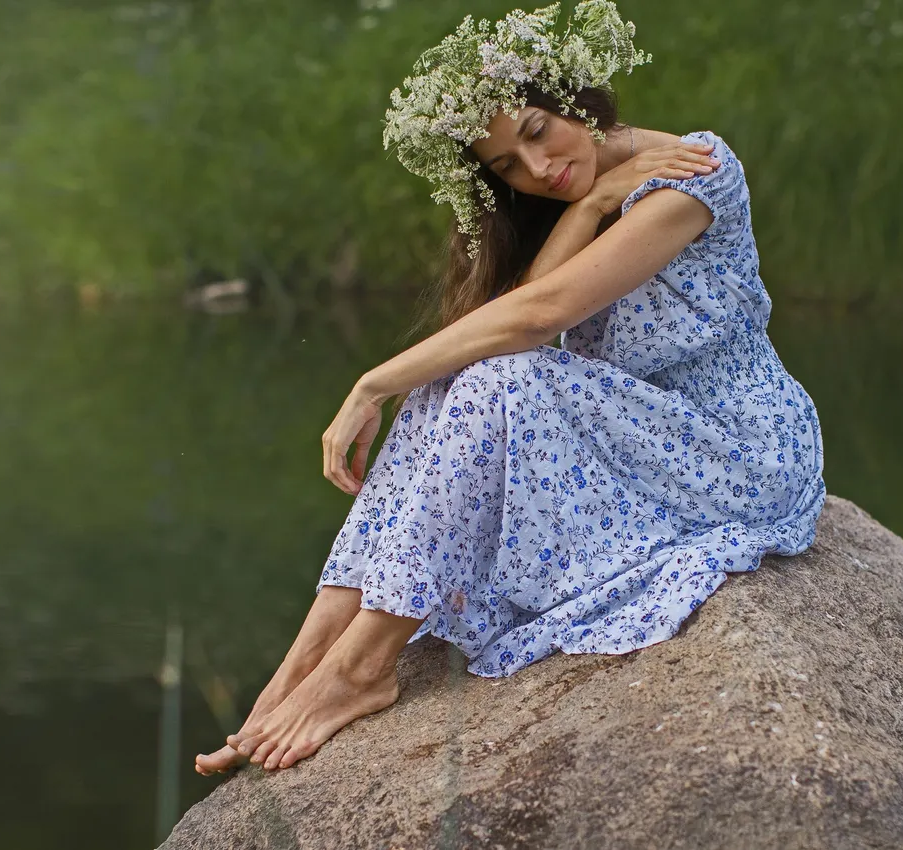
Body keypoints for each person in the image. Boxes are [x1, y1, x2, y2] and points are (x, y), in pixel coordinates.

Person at [195, 0, 825, 776]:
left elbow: (543, 316)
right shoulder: (589, 189)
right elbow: (521, 308)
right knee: (457, 379)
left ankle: (364, 667)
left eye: (537, 131)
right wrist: (592, 200)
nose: (539, 169)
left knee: (500, 377)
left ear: (576, 100)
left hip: (736, 449)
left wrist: (373, 381)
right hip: (656, 437)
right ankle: (308, 661)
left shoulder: (691, 173)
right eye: (507, 168)